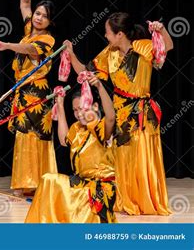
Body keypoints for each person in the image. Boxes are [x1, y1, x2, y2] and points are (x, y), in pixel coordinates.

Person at [63, 12, 174, 215]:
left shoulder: (144, 47)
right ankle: (127, 201)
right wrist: (70, 53)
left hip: (141, 114)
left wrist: (161, 30)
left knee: (143, 156)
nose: (106, 36)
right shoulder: (109, 54)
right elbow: (84, 72)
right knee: (124, 158)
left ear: (120, 34)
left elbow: (167, 47)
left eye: (107, 33)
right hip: (121, 114)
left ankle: (146, 201)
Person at [0, 0, 57, 196]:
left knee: (37, 135)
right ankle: (23, 183)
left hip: (38, 94)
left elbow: (30, 50)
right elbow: (25, 4)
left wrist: (8, 45)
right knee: (23, 135)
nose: (38, 18)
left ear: (50, 21)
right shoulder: (29, 28)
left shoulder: (47, 40)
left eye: (44, 16)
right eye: (38, 14)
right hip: (23, 91)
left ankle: (41, 183)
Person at [25, 75, 117, 223]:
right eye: (75, 110)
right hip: (82, 184)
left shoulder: (100, 127)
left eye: (82, 108)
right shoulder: (77, 128)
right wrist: (60, 105)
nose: (79, 113)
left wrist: (100, 87)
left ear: (94, 107)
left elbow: (111, 117)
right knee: (48, 179)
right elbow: (63, 140)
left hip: (99, 189)